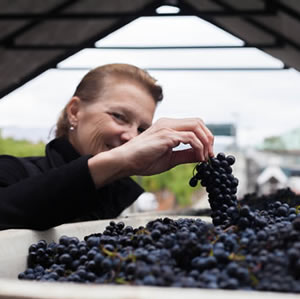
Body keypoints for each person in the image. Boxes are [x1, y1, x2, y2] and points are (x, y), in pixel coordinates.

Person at [0, 63, 214, 230]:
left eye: (142, 129)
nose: (131, 137)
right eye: (119, 117)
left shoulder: (119, 200)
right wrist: (116, 162)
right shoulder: (11, 172)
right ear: (74, 112)